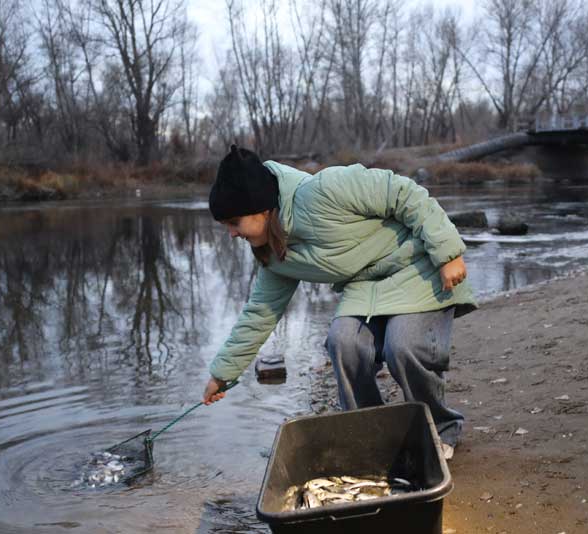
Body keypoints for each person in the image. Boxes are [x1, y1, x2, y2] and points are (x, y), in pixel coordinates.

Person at [201, 145, 477, 458]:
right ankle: (371, 434)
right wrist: (221, 375)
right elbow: (259, 315)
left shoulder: (326, 190)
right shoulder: (275, 256)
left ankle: (440, 427)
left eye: (234, 222)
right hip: (365, 288)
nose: (231, 234)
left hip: (417, 268)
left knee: (403, 346)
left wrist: (448, 254)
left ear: (261, 208)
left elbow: (405, 193)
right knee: (343, 342)